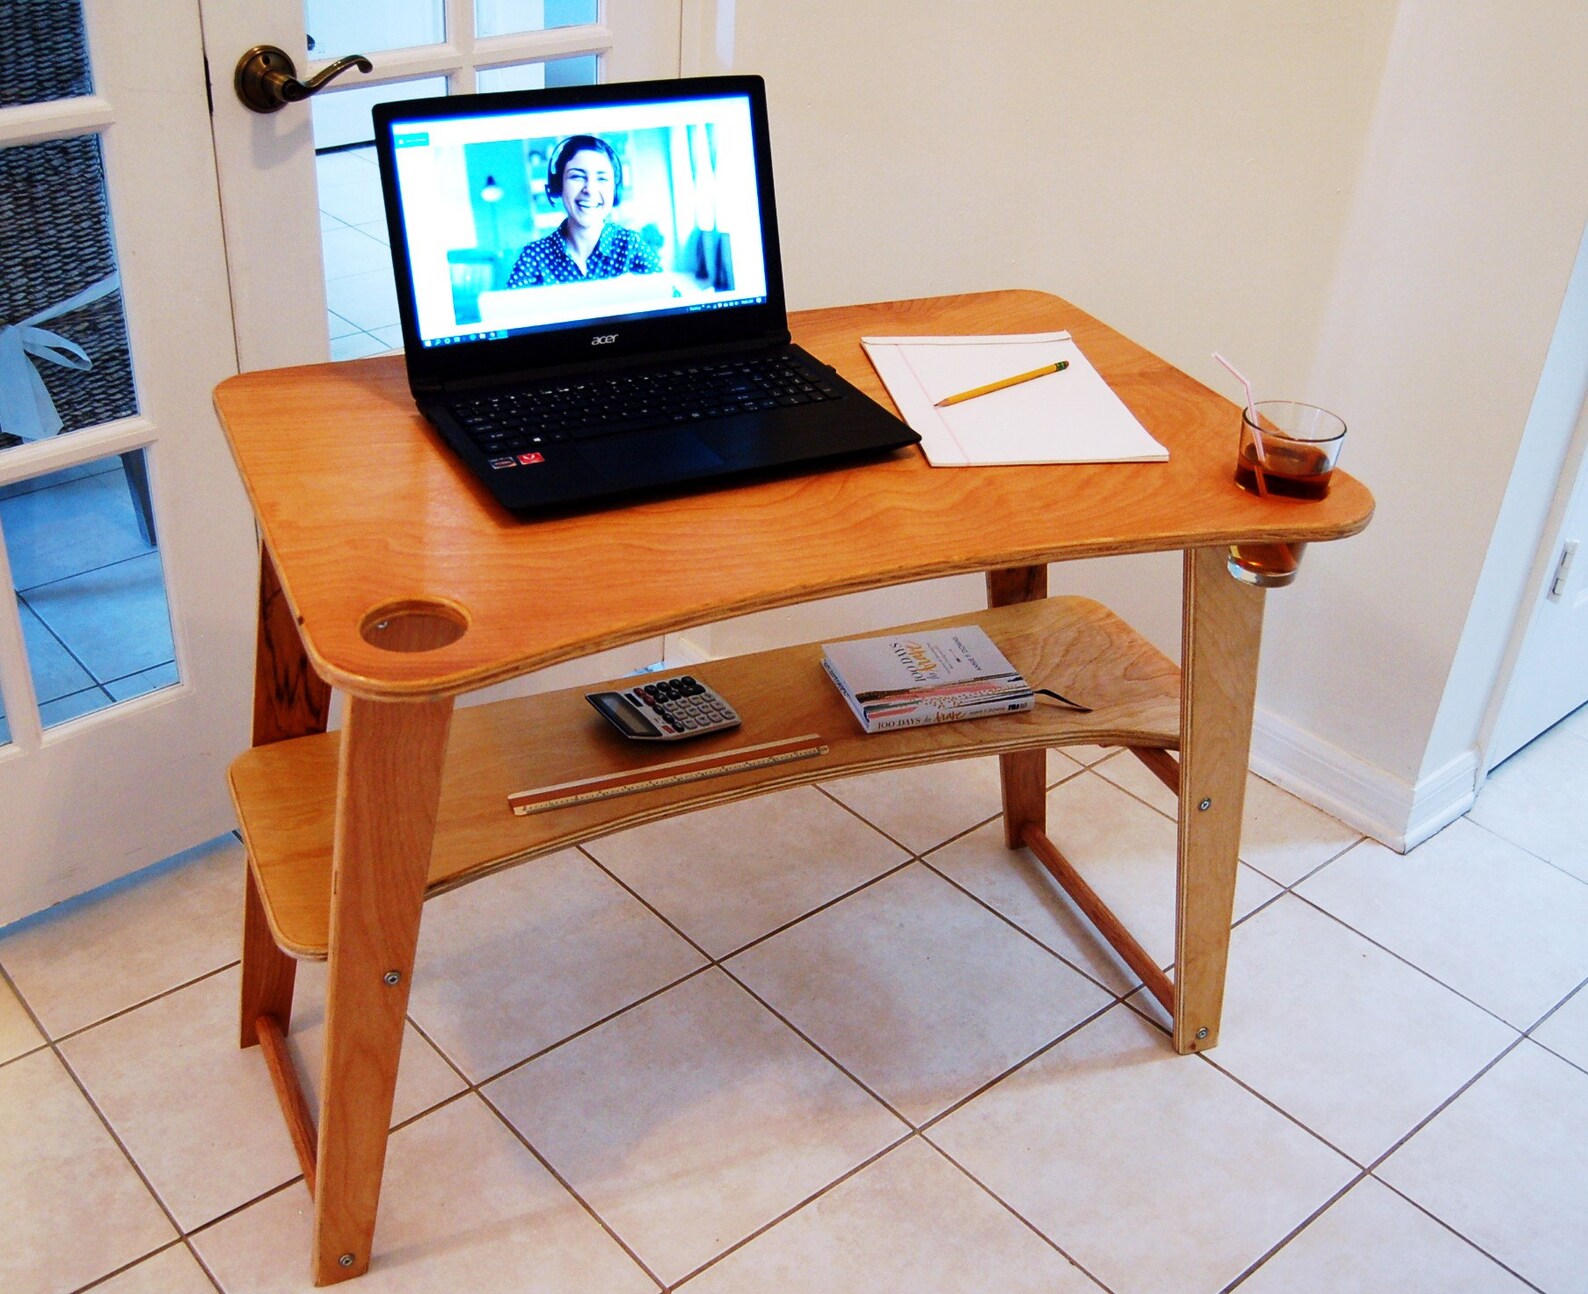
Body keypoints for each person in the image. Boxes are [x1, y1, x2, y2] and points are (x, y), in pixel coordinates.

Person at [504, 135, 661, 287]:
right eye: (577, 176)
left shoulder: (630, 245)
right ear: (559, 185)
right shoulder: (534, 256)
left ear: (615, 190)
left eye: (602, 178)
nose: (590, 190)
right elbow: (510, 312)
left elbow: (673, 302)